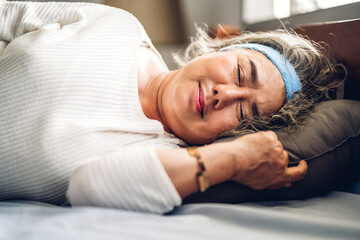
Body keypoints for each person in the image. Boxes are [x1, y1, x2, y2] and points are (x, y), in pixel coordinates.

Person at [0, 1, 343, 213]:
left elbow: (90, 187)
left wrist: (235, 160)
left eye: (244, 114)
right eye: (240, 72)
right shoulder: (118, 26)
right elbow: (8, 13)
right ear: (221, 49)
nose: (226, 95)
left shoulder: (163, 155)